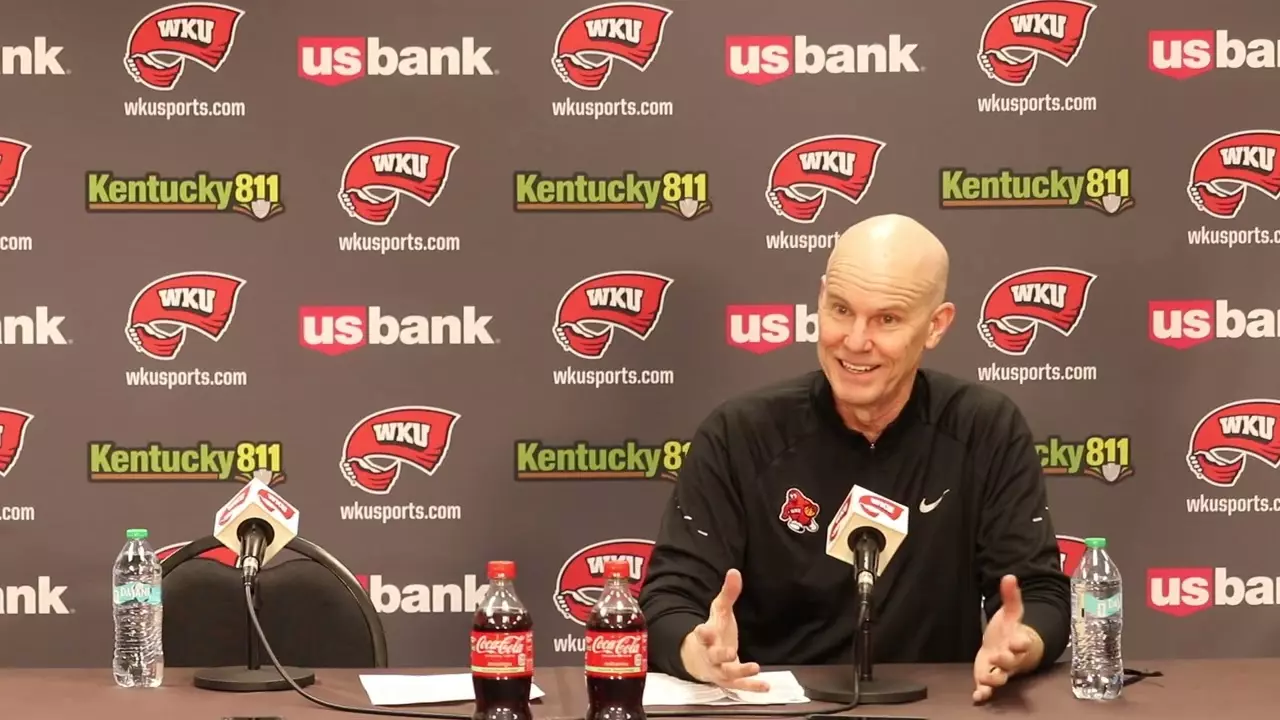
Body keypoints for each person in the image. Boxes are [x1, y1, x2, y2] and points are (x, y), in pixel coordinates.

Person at [638, 214, 1069, 704]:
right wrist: (697, 651)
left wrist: (1022, 643)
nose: (856, 341)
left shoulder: (984, 429)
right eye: (841, 309)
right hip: (783, 712)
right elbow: (670, 598)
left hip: (936, 709)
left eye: (887, 319)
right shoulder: (740, 434)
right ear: (820, 299)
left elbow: (1038, 595)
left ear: (936, 326)